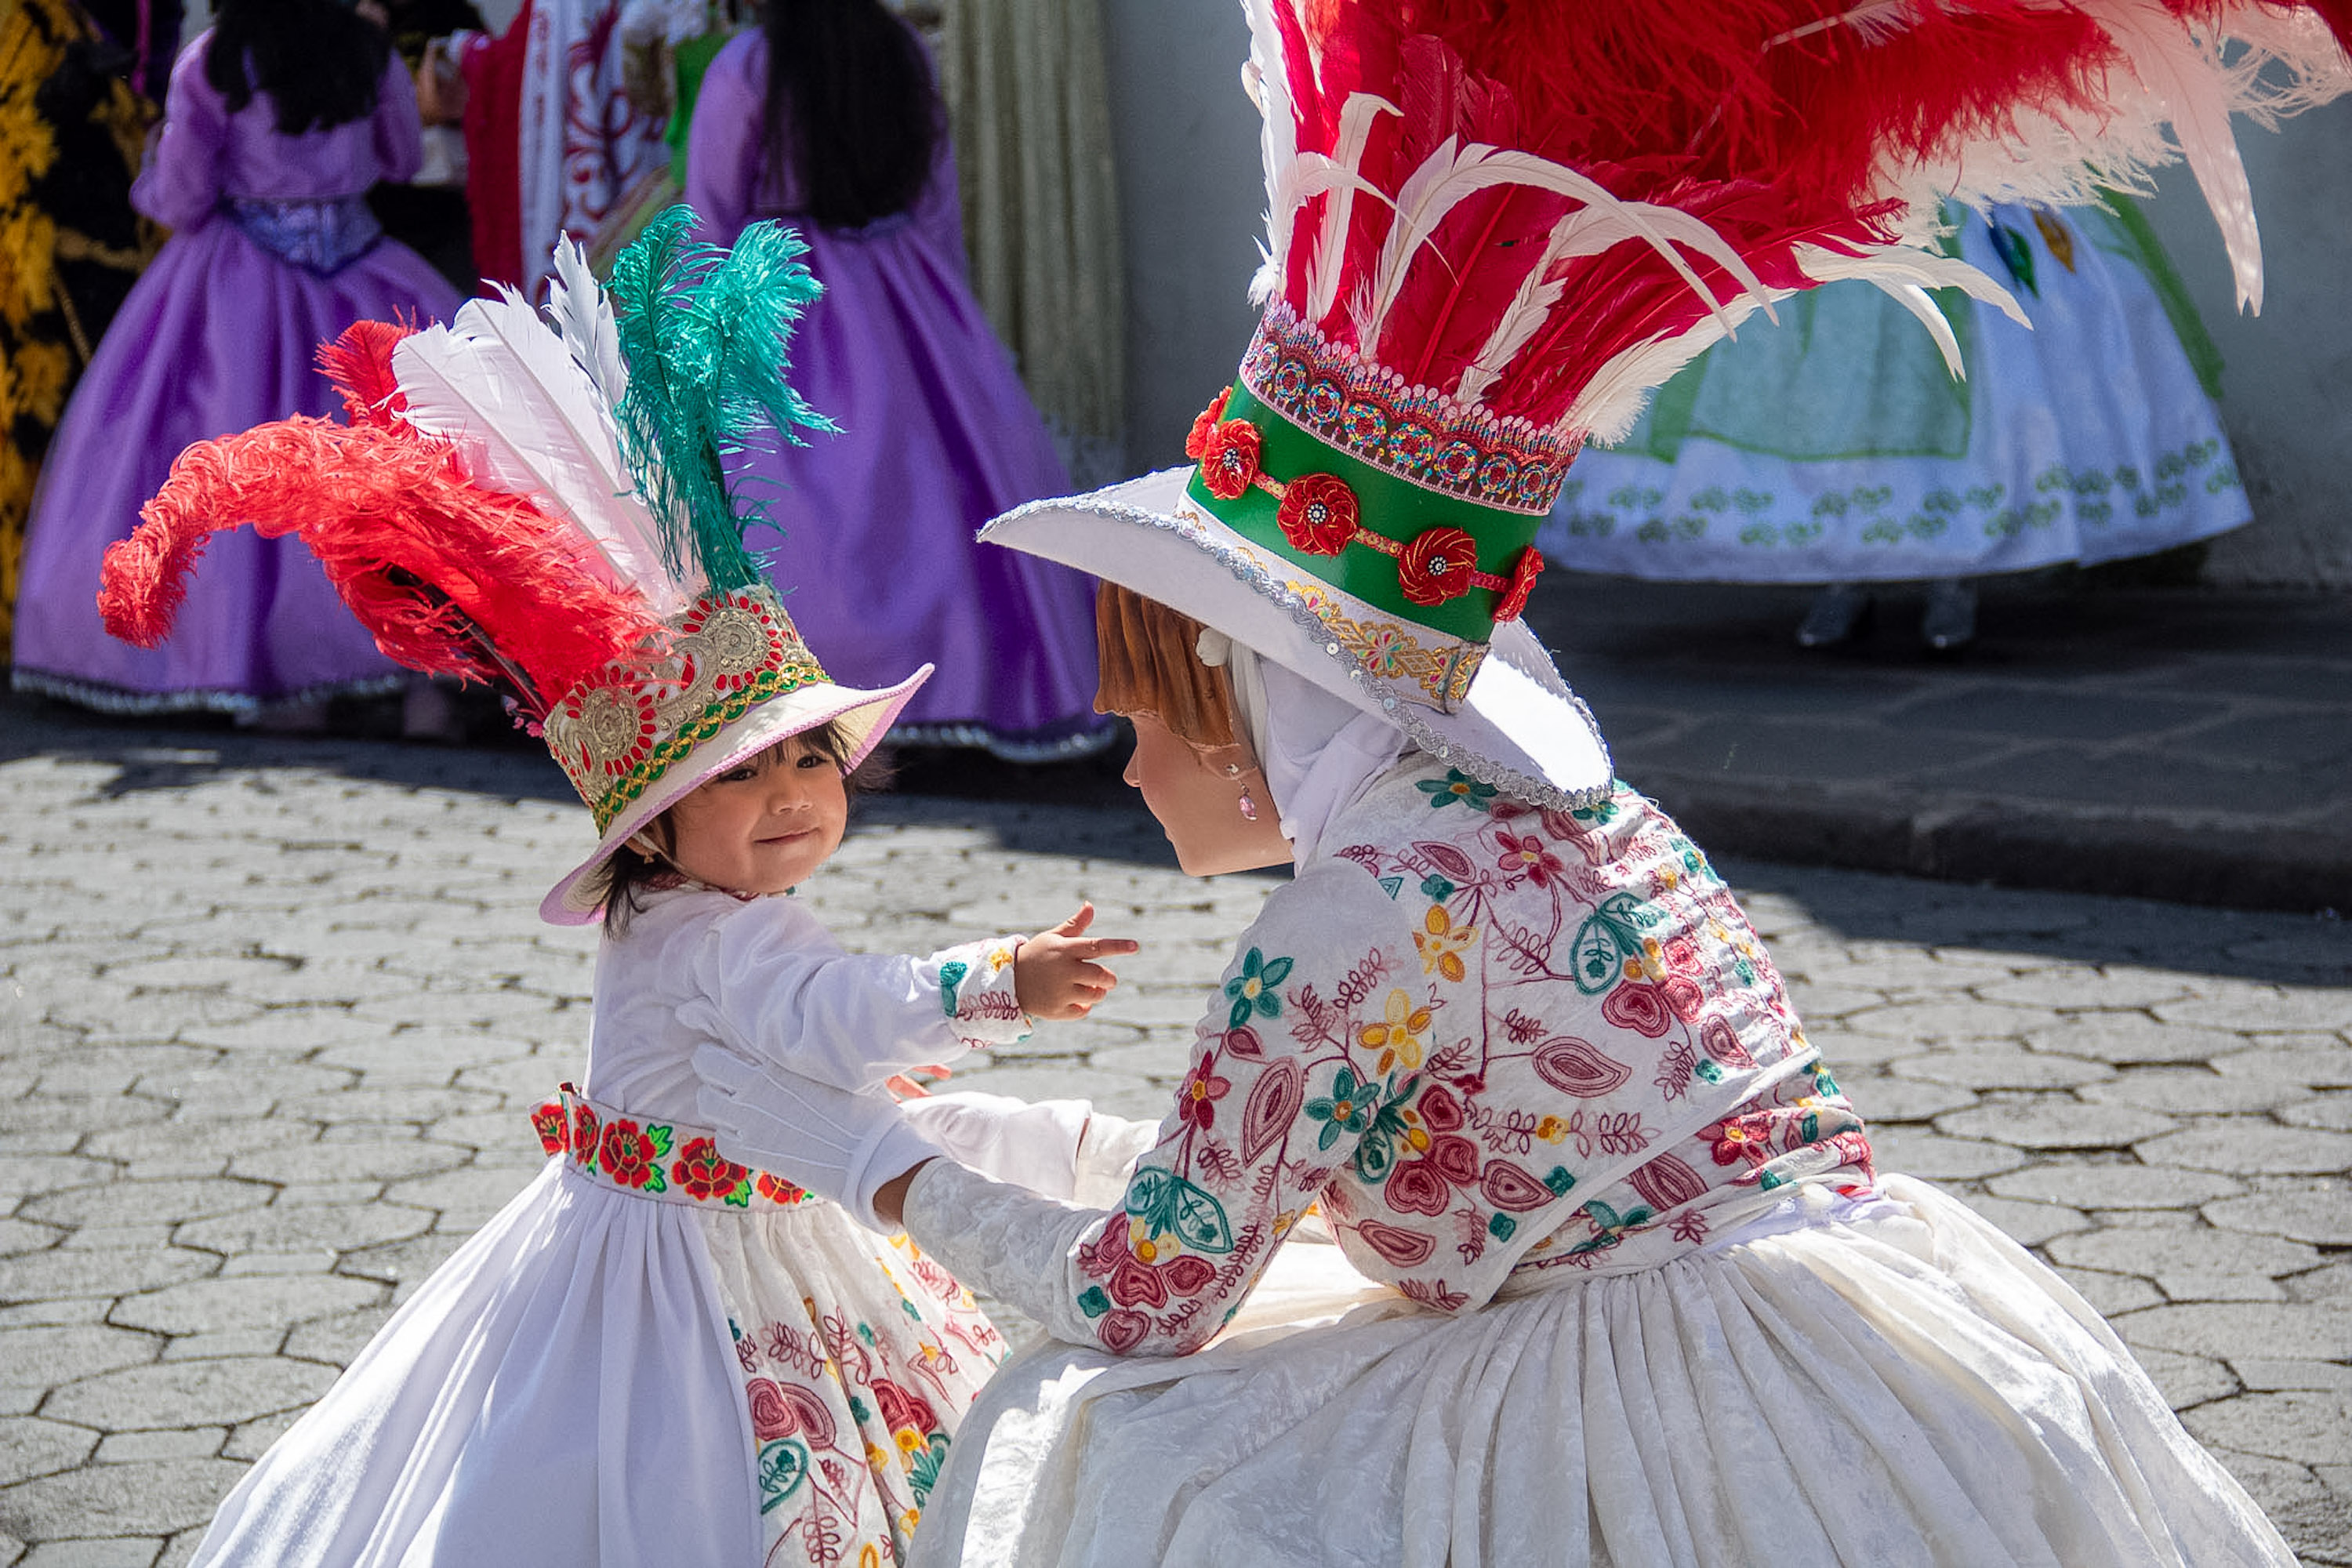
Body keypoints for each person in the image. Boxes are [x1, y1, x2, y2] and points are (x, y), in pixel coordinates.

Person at [691, 2, 2349, 1562]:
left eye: (1151, 712)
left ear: (1258, 698)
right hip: (1882, 1332)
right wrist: (1020, 1129)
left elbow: (1148, 1291)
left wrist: (871, 1159)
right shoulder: (1572, 809)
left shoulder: (1342, 923)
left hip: (1647, 1385)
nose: (1127, 766)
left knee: (1106, 1431)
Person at [93, 225, 1138, 1565]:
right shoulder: (713, 944)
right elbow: (833, 1015)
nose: (798, 798)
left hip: (733, 1232)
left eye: (814, 762)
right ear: (650, 831)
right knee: (686, 1479)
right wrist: (997, 979)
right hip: (679, 1276)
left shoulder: (703, 914)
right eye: (745, 780)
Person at [683, 0, 1110, 762]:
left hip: (780, 298)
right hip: (906, 288)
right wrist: (948, 327)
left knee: (807, 517)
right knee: (935, 492)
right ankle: (954, 685)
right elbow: (936, 205)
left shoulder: (747, 65)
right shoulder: (904, 53)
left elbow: (712, 218)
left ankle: (829, 697)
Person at [10, 0, 460, 717]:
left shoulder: (216, 61)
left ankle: (264, 674)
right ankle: (424, 693)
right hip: (362, 274)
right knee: (401, 472)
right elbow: (403, 160)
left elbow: (182, 199)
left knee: (241, 478)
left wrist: (153, 166)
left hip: (238, 292)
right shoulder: (366, 51)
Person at [1539, 198, 2249, 652]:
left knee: (1967, 357)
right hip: (1846, 158)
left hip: (1964, 155)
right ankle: (1851, 569)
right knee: (1835, 373)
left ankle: (1952, 569)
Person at [0, 0, 164, 665]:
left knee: (101, 451)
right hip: (44, 270)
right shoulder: (27, 23)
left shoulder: (108, 19)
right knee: (42, 441)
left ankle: (93, 628)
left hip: (115, 261)